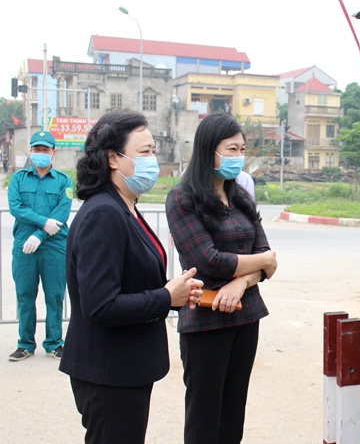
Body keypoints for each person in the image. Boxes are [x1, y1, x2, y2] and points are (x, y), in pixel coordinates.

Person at [59, 110, 203, 443]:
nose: (153, 159)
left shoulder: (125, 207)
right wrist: (166, 297)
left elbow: (132, 281)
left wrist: (176, 294)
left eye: (153, 150)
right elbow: (100, 306)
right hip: (109, 373)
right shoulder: (104, 214)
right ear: (113, 158)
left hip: (125, 368)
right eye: (145, 152)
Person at [165, 113, 278, 444]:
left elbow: (265, 261)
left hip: (245, 316)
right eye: (231, 149)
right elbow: (208, 260)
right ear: (208, 151)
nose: (238, 156)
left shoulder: (240, 197)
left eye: (242, 149)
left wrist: (241, 281)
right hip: (205, 320)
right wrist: (263, 261)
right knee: (204, 420)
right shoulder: (182, 198)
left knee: (232, 418)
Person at [8, 130, 73, 362]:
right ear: (31, 151)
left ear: (53, 152)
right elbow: (16, 208)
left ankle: (55, 343)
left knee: (54, 295)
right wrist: (43, 223)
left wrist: (39, 235)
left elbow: (62, 214)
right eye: (37, 149)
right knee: (25, 295)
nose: (41, 153)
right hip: (24, 247)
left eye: (45, 150)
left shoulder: (64, 181)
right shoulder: (18, 179)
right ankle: (25, 344)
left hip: (53, 247)